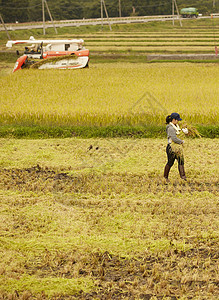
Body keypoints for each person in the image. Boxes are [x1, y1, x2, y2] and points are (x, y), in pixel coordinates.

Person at [164, 112, 188, 182]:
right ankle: (165, 177)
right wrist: (181, 141)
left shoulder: (176, 126)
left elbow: (179, 134)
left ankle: (183, 177)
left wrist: (185, 132)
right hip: (171, 147)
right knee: (170, 162)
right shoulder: (170, 128)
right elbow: (174, 138)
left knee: (181, 161)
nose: (178, 121)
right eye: (177, 120)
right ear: (173, 119)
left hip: (178, 147)